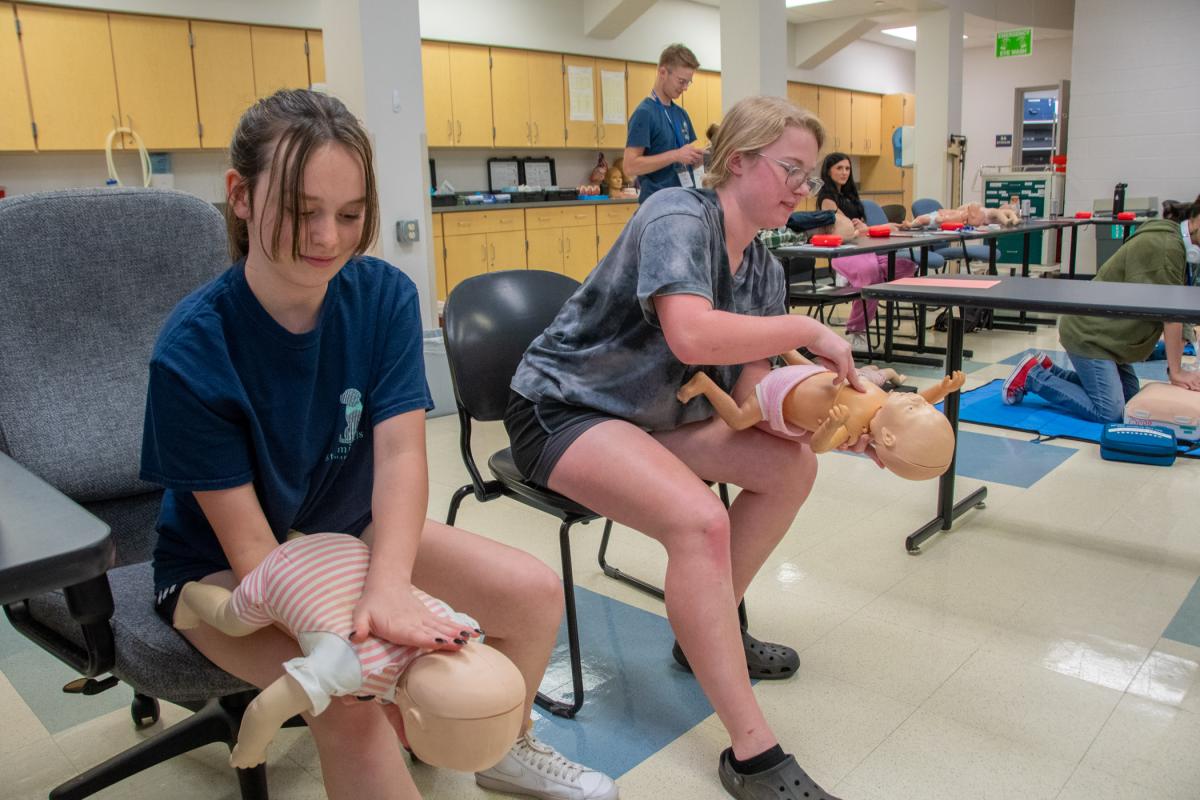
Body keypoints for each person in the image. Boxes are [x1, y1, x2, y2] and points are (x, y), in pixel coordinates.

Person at [140, 88, 617, 800]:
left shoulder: (384, 297)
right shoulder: (193, 351)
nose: (328, 238)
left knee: (532, 593)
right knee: (351, 710)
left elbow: (398, 456)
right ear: (240, 196)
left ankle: (498, 750)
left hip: (344, 529)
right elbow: (256, 560)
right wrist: (369, 655)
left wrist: (390, 587)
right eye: (302, 212)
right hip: (228, 573)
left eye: (350, 215)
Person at [506, 95, 866, 800]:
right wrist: (807, 329)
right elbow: (693, 336)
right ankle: (752, 751)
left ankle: (703, 630)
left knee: (790, 466)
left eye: (811, 174)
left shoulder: (761, 266)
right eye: (791, 169)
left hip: (651, 418)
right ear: (738, 161)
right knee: (700, 521)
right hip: (563, 409)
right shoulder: (676, 214)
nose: (805, 187)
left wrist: (848, 419)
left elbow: (759, 402)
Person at [1003, 194, 1200, 420]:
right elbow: (1171, 314)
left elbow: (1180, 300)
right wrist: (1176, 373)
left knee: (1129, 400)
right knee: (1111, 411)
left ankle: (1050, 371)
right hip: (1091, 334)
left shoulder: (1178, 245)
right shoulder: (1166, 246)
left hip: (1110, 337)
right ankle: (1033, 376)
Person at [814, 152, 917, 352]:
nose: (844, 172)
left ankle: (854, 279)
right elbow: (846, 230)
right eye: (839, 168)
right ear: (828, 171)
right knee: (871, 277)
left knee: (907, 266)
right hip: (843, 252)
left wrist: (864, 227)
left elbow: (859, 227)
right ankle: (856, 329)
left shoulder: (850, 195)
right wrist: (864, 228)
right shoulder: (827, 198)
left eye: (847, 168)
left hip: (864, 247)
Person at [623, 43, 705, 203]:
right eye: (681, 81)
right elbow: (630, 166)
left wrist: (697, 158)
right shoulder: (644, 113)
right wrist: (675, 155)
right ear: (663, 72)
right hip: (657, 206)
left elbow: (685, 162)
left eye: (688, 82)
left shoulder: (681, 114)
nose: (685, 88)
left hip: (684, 201)